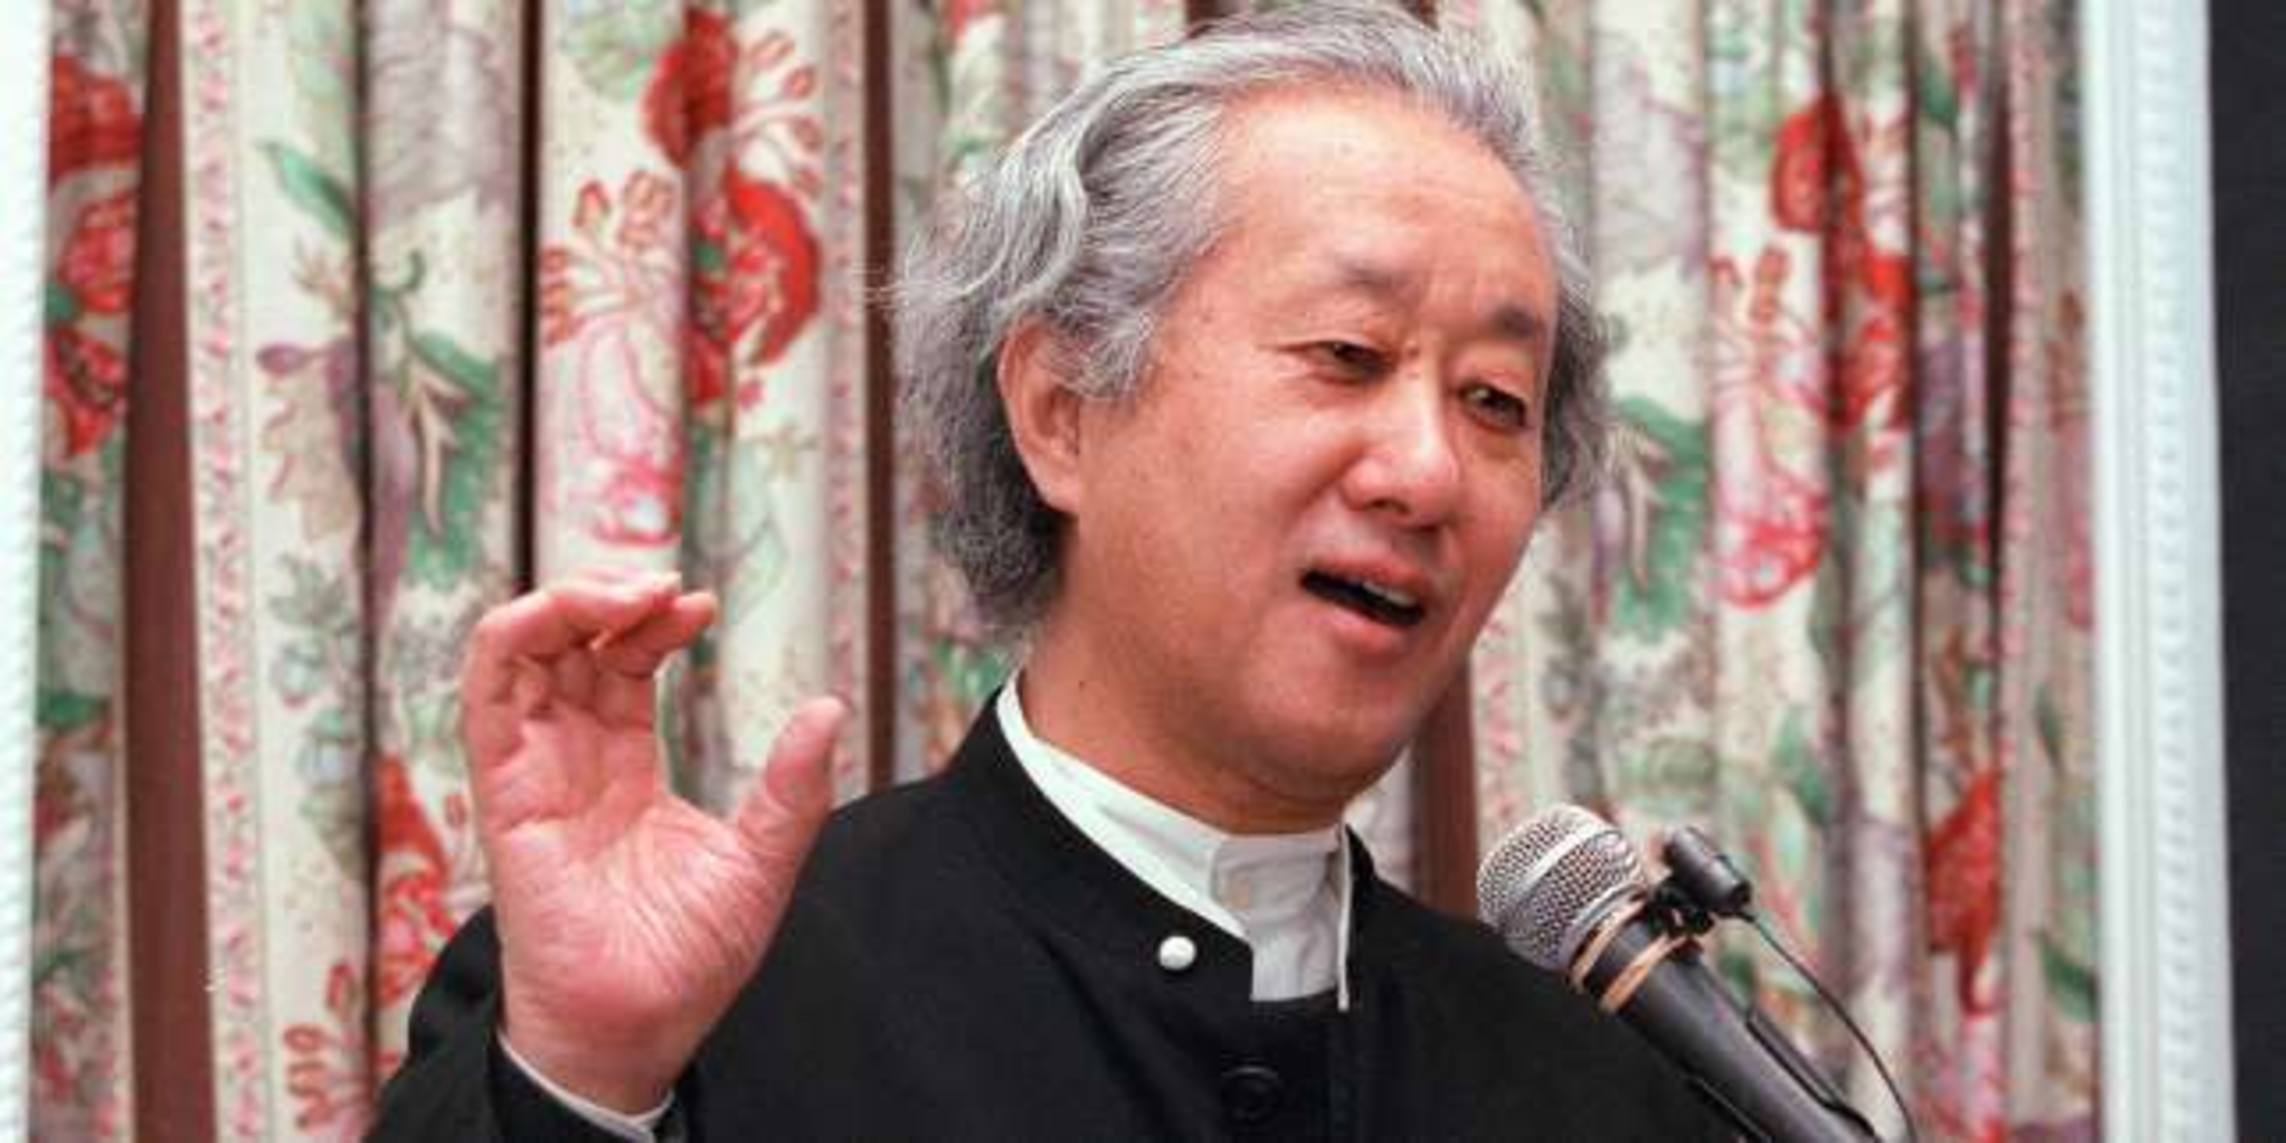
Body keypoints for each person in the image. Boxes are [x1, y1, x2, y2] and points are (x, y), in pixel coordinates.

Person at [373, 3, 1730, 1138]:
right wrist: (583, 1083)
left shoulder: (1600, 1084)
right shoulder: (679, 1009)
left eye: (1494, 400)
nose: (1425, 472)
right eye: (1346, 354)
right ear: (1060, 412)